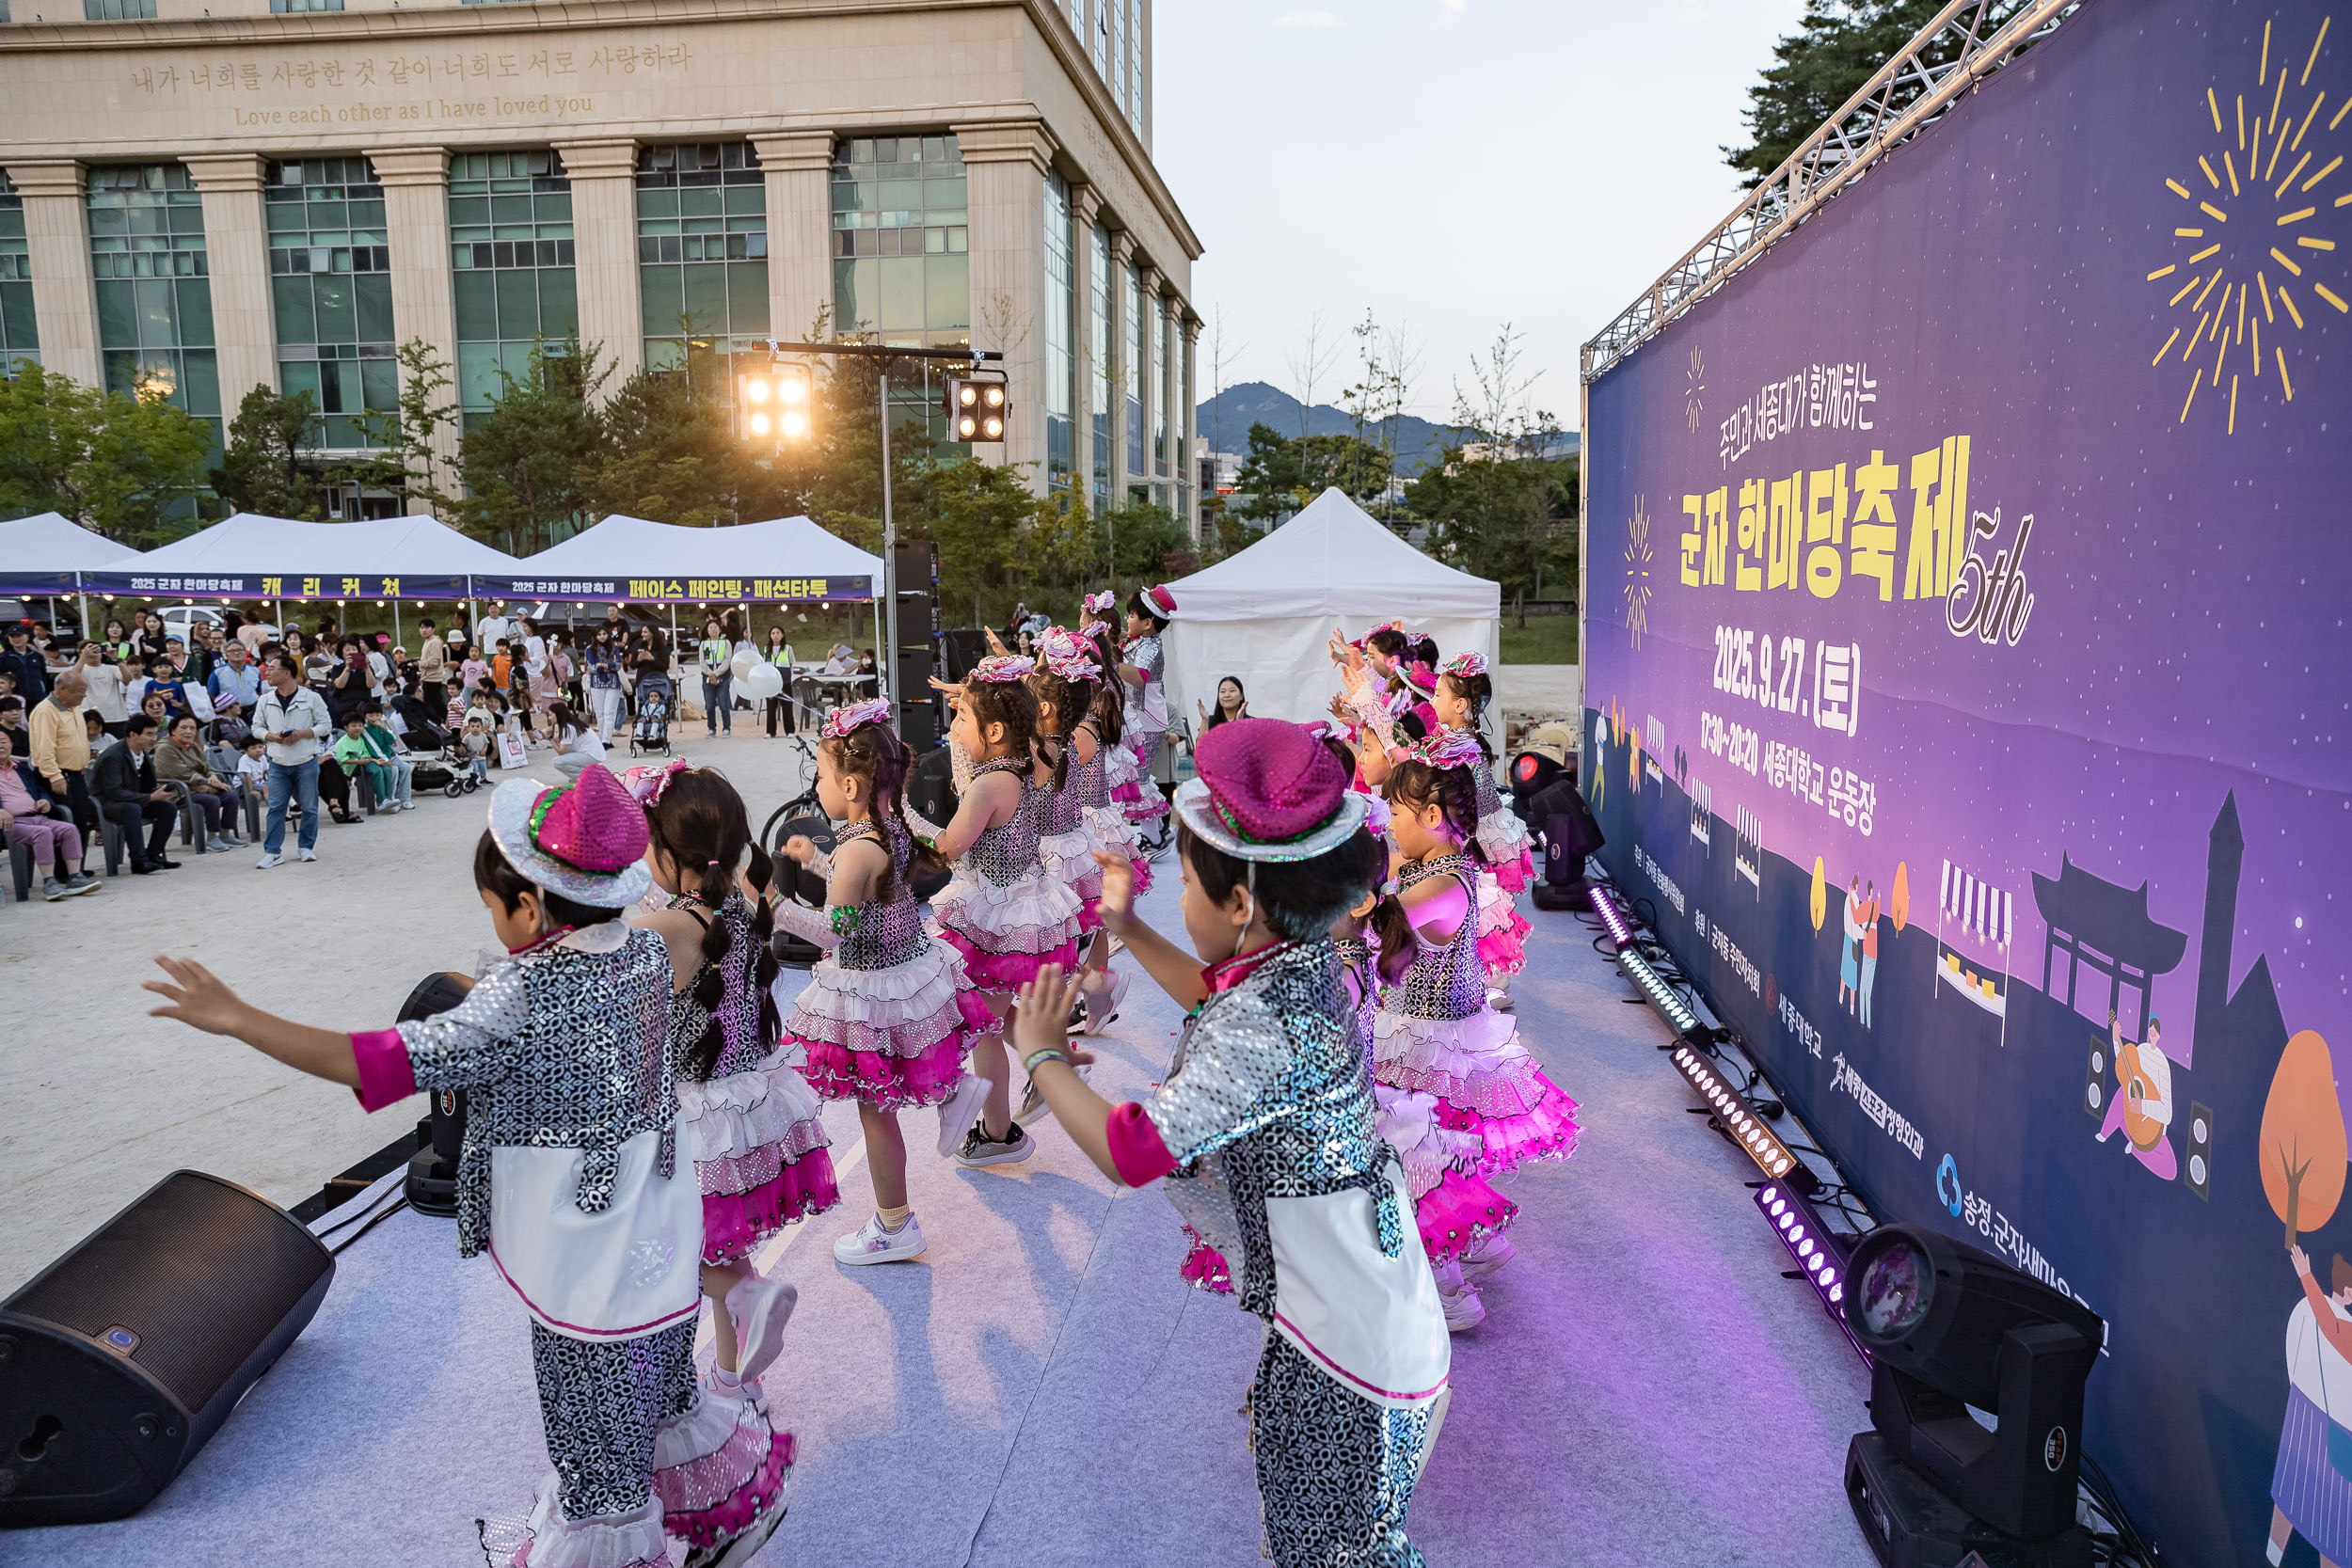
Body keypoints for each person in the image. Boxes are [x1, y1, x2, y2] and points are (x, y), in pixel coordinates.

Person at [141, 765, 733, 1568]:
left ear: (528, 906)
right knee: (659, 1376)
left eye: (491, 905)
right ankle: (701, 1521)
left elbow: (379, 1062)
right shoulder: (645, 950)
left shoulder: (517, 993)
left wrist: (241, 1018)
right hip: (657, 1220)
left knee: (587, 1407)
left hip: (581, 1247)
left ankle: (611, 1539)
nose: (490, 918)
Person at [1014, 717, 1450, 1568]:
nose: (1181, 896)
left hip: (1348, 1365)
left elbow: (1132, 1149)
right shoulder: (1313, 959)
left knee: (1334, 1556)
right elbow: (1219, 1005)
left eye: (1186, 883)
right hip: (1369, 1318)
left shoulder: (1265, 1017)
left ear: (1243, 902)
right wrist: (1133, 926)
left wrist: (1043, 1055)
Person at [620, 765, 826, 1558]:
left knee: (683, 1258)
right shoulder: (743, 900)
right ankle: (743, 1387)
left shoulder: (659, 923)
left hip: (693, 1115)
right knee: (721, 1241)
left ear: (672, 854)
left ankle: (743, 1300)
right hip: (753, 1101)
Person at [771, 702, 994, 1264]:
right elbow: (867, 890)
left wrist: (773, 904)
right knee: (893, 1088)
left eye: (820, 777)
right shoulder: (886, 828)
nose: (817, 786)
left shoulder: (856, 848)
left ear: (849, 783)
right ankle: (954, 1092)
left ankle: (895, 1224)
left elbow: (831, 933)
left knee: (875, 1109)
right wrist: (820, 858)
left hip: (871, 989)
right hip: (907, 970)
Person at [1370, 732, 1580, 1329]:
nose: (1389, 824)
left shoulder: (1438, 884)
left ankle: (1451, 1288)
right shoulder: (1440, 864)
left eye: (1397, 813)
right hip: (1430, 1028)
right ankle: (1481, 1242)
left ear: (1433, 818)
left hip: (1430, 1038)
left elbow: (1374, 929)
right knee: (1442, 1150)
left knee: (1415, 1158)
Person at [906, 656, 1085, 1166]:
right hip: (1017, 906)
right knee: (997, 1018)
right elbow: (976, 757)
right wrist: (970, 703)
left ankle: (1000, 1133)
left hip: (998, 916)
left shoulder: (990, 784)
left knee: (984, 1029)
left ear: (997, 729)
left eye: (963, 719)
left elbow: (945, 849)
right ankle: (1055, 1068)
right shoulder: (1022, 763)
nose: (954, 726)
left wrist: (900, 813)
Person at [252, 651, 333, 867]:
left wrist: (301, 733)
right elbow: (256, 728)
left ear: (286, 673)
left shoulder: (311, 697)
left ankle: (306, 847)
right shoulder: (265, 699)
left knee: (309, 807)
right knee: (276, 808)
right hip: (277, 762)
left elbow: (326, 725)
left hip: (306, 760)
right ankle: (272, 852)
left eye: (272, 668)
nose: (267, 672)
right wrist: (272, 737)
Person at [0, 727, 99, 898]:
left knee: (69, 828)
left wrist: (45, 800)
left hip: (37, 816)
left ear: (11, 745)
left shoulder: (21, 769)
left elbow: (39, 790)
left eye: (3, 741)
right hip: (12, 824)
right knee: (43, 833)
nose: (1, 746)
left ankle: (75, 877)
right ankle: (49, 882)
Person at [1115, 585, 1176, 832]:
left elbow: (1139, 676)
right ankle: (1156, 836)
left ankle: (1153, 837)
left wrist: (1109, 662)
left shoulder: (1151, 645)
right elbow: (1121, 638)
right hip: (1136, 718)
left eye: (1131, 616)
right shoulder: (1139, 640)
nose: (1127, 619)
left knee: (1137, 780)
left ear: (1148, 622)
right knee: (1134, 778)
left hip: (1148, 721)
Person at [93, 713, 182, 875]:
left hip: (131, 799)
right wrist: (149, 797)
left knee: (167, 808)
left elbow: (144, 784)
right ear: (133, 735)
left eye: (155, 734)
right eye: (149, 734)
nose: (153, 738)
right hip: (106, 803)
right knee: (132, 809)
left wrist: (157, 791)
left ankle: (153, 855)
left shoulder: (142, 751)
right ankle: (138, 861)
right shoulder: (113, 756)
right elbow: (114, 792)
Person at [31, 667, 99, 852]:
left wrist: (82, 763)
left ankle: (78, 867)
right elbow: (44, 748)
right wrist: (54, 776)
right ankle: (64, 871)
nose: (83, 697)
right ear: (62, 690)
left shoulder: (74, 708)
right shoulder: (46, 711)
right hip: (58, 776)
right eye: (80, 692)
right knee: (65, 821)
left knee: (81, 819)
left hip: (76, 773)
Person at [156, 714, 246, 851]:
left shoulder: (192, 745)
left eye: (192, 728)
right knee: (211, 800)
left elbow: (206, 766)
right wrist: (207, 782)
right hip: (178, 791)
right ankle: (212, 837)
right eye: (184, 728)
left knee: (231, 795)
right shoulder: (165, 749)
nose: (189, 732)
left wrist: (213, 776)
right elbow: (181, 773)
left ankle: (225, 834)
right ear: (173, 730)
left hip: (201, 786)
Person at [361, 704, 417, 812]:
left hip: (389, 756)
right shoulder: (365, 729)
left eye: (377, 715)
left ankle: (404, 799)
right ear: (365, 717)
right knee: (393, 769)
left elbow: (392, 741)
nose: (375, 718)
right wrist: (385, 761)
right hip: (379, 758)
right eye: (371, 715)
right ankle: (390, 799)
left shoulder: (383, 726)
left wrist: (384, 729)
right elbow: (374, 747)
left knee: (405, 767)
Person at [582, 626, 625, 740]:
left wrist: (602, 665)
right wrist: (609, 666)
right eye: (599, 634)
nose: (602, 636)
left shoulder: (614, 648)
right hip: (596, 684)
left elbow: (619, 665)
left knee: (610, 713)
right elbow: (591, 668)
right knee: (600, 713)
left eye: (604, 633)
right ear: (595, 636)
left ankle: (607, 739)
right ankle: (602, 737)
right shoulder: (590, 649)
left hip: (613, 684)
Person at [548, 701, 607, 782]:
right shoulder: (572, 723)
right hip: (595, 753)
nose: (549, 718)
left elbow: (560, 751)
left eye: (551, 715)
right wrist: (549, 738)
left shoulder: (567, 727)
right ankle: (586, 774)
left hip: (591, 755)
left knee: (557, 762)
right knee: (565, 751)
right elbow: (564, 743)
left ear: (558, 714)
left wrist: (550, 738)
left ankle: (587, 776)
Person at [696, 617, 734, 737]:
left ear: (719, 630)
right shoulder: (704, 644)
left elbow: (727, 660)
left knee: (723, 703)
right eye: (710, 628)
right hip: (707, 677)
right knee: (710, 704)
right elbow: (702, 662)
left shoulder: (725, 643)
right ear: (707, 630)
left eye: (715, 627)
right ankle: (711, 728)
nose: (713, 630)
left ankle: (726, 728)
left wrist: (716, 673)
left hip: (722, 677)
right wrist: (710, 674)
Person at [1, 621, 50, 705]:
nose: (16, 639)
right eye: (13, 637)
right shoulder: (4, 658)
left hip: (38, 697)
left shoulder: (37, 656)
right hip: (15, 700)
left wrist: (42, 690)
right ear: (9, 638)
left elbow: (44, 676)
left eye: (19, 636)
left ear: (26, 637)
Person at [758, 626, 796, 737]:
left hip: (785, 683)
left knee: (787, 707)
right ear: (770, 636)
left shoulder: (788, 649)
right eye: (773, 633)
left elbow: (791, 663)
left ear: (782, 635)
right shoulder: (766, 650)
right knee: (771, 708)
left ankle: (790, 731)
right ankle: (770, 731)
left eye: (778, 633)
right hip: (770, 684)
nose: (775, 635)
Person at [416, 618, 449, 719]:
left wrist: (419, 663)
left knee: (435, 705)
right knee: (432, 704)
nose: (424, 630)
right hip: (427, 677)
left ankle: (444, 723)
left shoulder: (434, 641)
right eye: (421, 628)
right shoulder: (427, 641)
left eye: (427, 627)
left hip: (433, 678)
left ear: (433, 629)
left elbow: (435, 661)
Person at [234, 736, 270, 801]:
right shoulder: (245, 759)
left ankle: (291, 804)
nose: (258, 750)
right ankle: (272, 807)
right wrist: (251, 790)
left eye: (260, 747)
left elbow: (267, 771)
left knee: (275, 785)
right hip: (243, 786)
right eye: (253, 748)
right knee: (266, 788)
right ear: (245, 751)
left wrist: (271, 781)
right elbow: (247, 777)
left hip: (258, 783)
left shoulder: (263, 757)